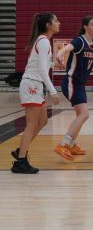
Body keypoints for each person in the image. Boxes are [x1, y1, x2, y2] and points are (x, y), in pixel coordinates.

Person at [54, 16, 93, 161]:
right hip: (71, 82)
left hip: (80, 85)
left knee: (81, 116)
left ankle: (71, 144)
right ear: (85, 26)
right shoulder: (79, 41)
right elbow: (66, 48)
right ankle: (63, 144)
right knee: (84, 114)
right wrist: (60, 53)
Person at [11, 12, 60, 174]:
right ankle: (20, 162)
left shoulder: (43, 41)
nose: (59, 23)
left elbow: (42, 65)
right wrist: (53, 91)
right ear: (48, 25)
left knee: (43, 121)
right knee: (31, 124)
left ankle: (20, 150)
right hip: (32, 84)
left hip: (36, 84)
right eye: (56, 21)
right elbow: (40, 69)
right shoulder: (44, 41)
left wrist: (53, 63)